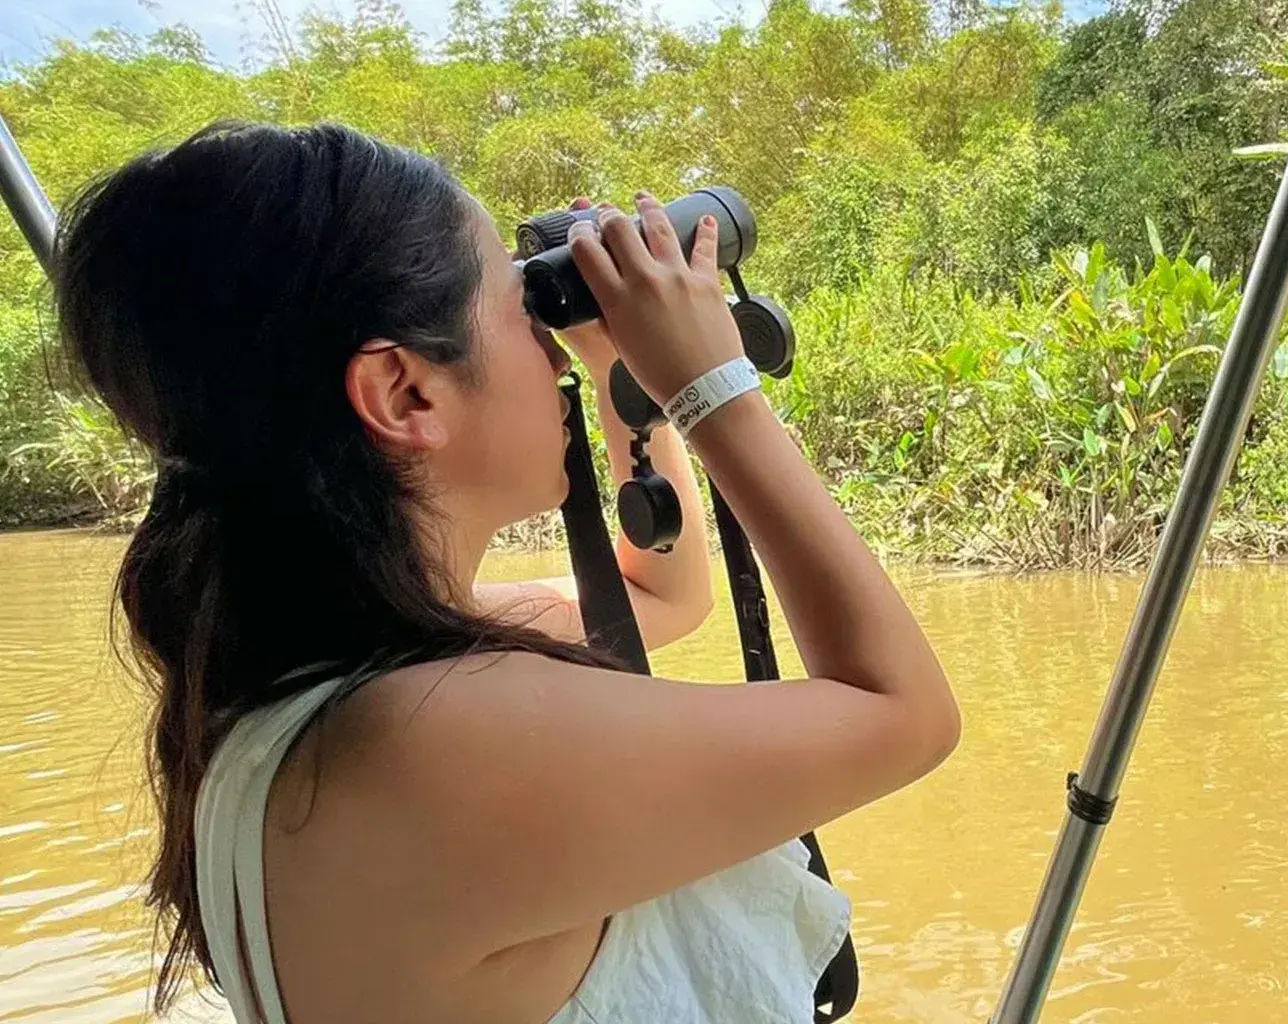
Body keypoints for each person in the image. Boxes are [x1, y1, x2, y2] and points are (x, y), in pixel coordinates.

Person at [53, 121, 960, 1024]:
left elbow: (659, 597)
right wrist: (712, 383)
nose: (554, 347)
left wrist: (618, 367)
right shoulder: (432, 741)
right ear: (404, 391)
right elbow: (905, 714)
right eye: (525, 312)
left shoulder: (317, 669)